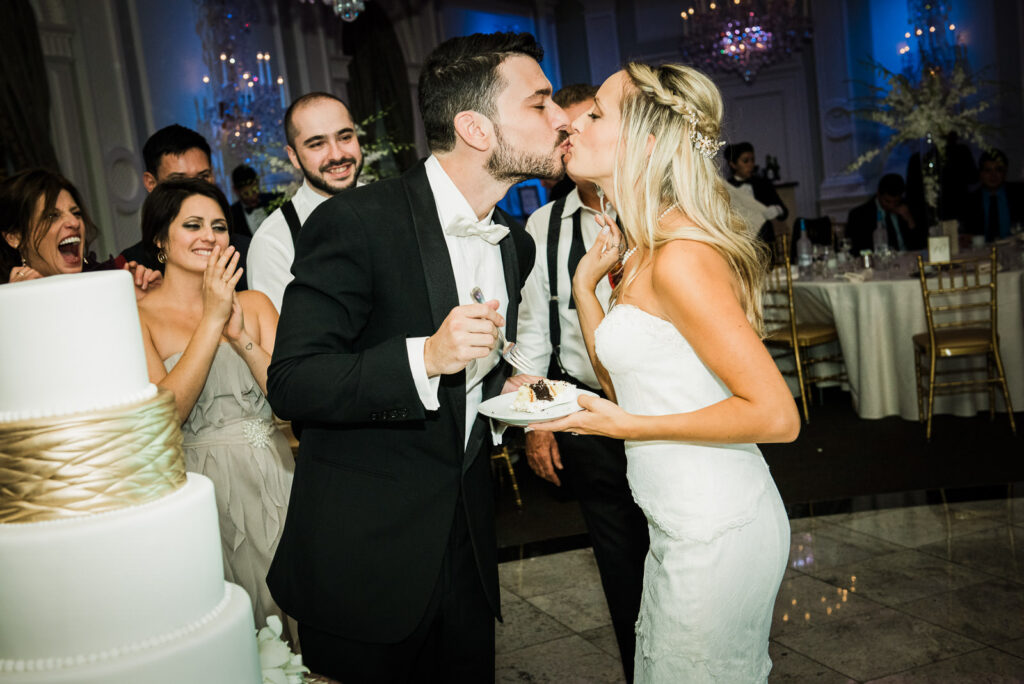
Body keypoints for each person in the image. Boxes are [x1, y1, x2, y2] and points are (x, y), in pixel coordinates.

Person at [264, 32, 567, 681]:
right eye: (540, 103)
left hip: (471, 558)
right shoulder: (358, 222)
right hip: (367, 562)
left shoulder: (515, 243)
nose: (561, 117)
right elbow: (293, 382)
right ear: (475, 128)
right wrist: (424, 358)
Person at [530, 63, 799, 682]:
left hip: (718, 529)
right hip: (676, 523)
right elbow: (623, 383)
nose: (572, 121)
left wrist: (625, 426)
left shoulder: (681, 258)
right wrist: (585, 287)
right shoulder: (645, 246)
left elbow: (777, 417)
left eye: (596, 113)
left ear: (647, 144)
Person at [517, 82, 649, 683]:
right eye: (563, 131)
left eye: (583, 124)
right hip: (589, 418)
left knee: (674, 556)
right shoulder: (543, 226)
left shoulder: (656, 212)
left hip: (665, 409)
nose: (568, 138)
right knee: (620, 563)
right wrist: (539, 423)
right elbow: (533, 334)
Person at [134, 178, 295, 640]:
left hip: (278, 475)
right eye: (193, 225)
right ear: (160, 240)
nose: (210, 235)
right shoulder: (138, 315)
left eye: (219, 226)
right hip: (200, 490)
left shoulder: (257, 303)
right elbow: (164, 418)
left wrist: (241, 336)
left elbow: (291, 400)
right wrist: (211, 318)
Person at [247, 93, 364, 311]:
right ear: (293, 156)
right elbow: (283, 341)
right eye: (317, 144)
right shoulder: (274, 243)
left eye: (345, 137)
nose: (337, 155)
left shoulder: (391, 205)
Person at [120, 124, 251, 289]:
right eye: (178, 182)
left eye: (203, 177)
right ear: (151, 183)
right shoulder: (133, 269)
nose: (194, 190)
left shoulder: (248, 252)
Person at [1, 168, 160, 294]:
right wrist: (15, 303)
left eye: (76, 213)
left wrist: (151, 301)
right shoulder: (6, 309)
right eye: (53, 216)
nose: (74, 222)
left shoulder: (114, 282)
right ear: (15, 237)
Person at [724, 142, 787, 244]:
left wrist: (777, 210)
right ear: (733, 164)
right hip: (740, 241)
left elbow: (784, 211)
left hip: (765, 240)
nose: (751, 165)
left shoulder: (762, 184)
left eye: (752, 160)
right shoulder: (726, 187)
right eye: (745, 161)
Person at [846, 173, 923, 253]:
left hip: (908, 259)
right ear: (878, 194)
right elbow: (856, 249)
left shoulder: (910, 208)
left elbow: (921, 244)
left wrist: (910, 220)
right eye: (887, 201)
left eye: (896, 202)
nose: (891, 206)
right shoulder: (859, 215)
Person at [961, 148, 1024, 241]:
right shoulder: (970, 201)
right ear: (981, 174)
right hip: (981, 252)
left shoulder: (1019, 194)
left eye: (998, 170)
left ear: (1005, 172)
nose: (993, 175)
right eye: (988, 170)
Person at [229, 164, 282, 237]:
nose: (252, 197)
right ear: (236, 190)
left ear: (258, 183)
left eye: (254, 191)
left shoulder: (276, 200)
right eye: (246, 194)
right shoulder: (231, 215)